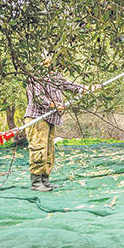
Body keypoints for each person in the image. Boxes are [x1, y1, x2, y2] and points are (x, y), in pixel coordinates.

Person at [24, 53, 93, 192]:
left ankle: (45, 180)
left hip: (50, 118)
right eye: (48, 61)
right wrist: (53, 104)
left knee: (48, 149)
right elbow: (38, 97)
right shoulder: (35, 77)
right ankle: (36, 182)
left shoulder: (54, 76)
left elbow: (67, 85)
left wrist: (84, 88)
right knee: (39, 149)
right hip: (37, 118)